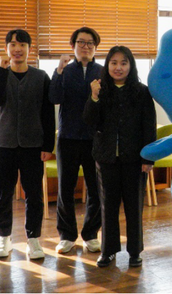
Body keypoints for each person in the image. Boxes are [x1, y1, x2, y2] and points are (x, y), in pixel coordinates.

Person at [83, 46, 156, 268]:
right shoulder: (100, 89)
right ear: (108, 66)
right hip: (106, 159)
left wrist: (148, 159)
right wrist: (94, 97)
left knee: (134, 207)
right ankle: (108, 251)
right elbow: (89, 121)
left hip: (134, 159)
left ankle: (135, 251)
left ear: (131, 66)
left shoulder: (142, 92)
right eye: (114, 63)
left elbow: (148, 126)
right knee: (108, 207)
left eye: (123, 63)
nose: (118, 67)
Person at [0, 29, 55, 260]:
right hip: (4, 143)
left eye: (22, 44)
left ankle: (33, 239)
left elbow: (48, 113)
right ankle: (4, 238)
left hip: (32, 145)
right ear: (6, 48)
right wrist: (1, 70)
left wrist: (48, 145)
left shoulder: (41, 77)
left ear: (29, 48)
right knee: (3, 194)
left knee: (34, 195)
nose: (17, 49)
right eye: (13, 44)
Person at [49, 27, 103, 254]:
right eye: (81, 42)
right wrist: (58, 72)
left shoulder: (103, 71)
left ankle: (91, 234)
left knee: (96, 189)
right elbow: (54, 98)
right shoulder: (64, 71)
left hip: (94, 140)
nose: (86, 46)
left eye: (90, 43)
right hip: (68, 138)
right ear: (73, 46)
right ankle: (67, 235)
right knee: (65, 189)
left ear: (95, 48)